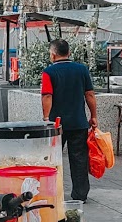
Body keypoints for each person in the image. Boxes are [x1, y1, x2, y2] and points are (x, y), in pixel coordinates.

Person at [39, 38, 98, 205]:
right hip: (79, 122)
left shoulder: (49, 72)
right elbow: (90, 95)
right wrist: (93, 116)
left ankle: (52, 192)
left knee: (53, 158)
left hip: (57, 124)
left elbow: (47, 96)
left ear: (52, 54)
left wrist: (45, 118)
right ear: (69, 53)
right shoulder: (81, 69)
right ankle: (80, 195)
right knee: (79, 159)